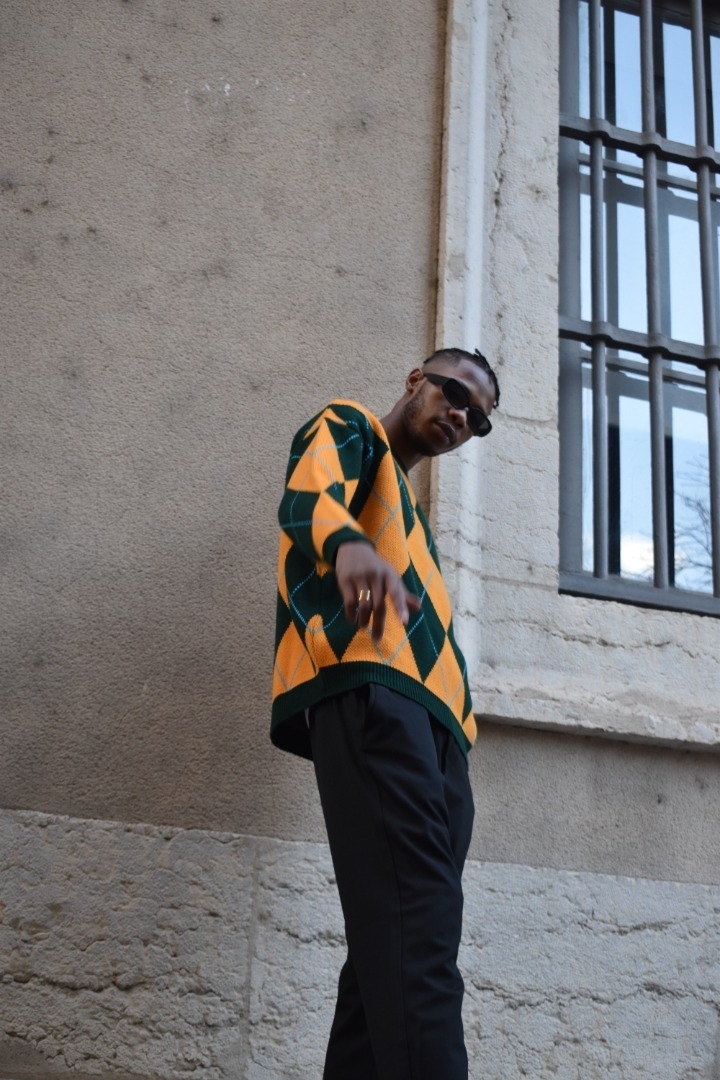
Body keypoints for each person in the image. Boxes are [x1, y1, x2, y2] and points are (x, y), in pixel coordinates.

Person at [271, 347, 500, 1080]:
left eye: (478, 418)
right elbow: (307, 498)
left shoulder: (412, 522)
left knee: (395, 949)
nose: (462, 417)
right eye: (456, 393)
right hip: (378, 696)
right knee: (418, 934)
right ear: (415, 381)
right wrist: (348, 548)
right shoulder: (352, 429)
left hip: (442, 736)